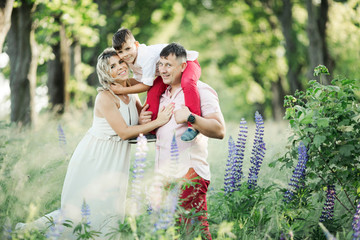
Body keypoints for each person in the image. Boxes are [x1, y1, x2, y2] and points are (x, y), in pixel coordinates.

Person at [16, 48, 174, 238]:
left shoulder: (131, 90)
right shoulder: (105, 97)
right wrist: (159, 121)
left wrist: (146, 120)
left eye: (121, 62)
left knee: (110, 211)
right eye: (112, 66)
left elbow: (140, 119)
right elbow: (124, 132)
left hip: (116, 158)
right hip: (95, 158)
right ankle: (24, 232)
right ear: (106, 73)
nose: (120, 67)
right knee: (80, 212)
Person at [139, 43, 226, 239]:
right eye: (160, 64)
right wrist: (144, 121)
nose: (162, 69)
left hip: (189, 174)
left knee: (194, 232)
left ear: (183, 66)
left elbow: (220, 130)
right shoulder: (161, 95)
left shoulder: (202, 90)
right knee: (172, 234)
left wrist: (190, 117)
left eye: (168, 65)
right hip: (163, 178)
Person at [112, 28, 202, 142]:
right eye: (120, 52)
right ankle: (151, 129)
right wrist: (118, 83)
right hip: (166, 71)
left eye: (128, 49)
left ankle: (193, 125)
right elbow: (139, 81)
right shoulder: (131, 60)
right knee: (154, 91)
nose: (125, 54)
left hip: (187, 62)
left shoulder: (145, 56)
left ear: (136, 44)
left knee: (187, 82)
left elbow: (145, 85)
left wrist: (121, 90)